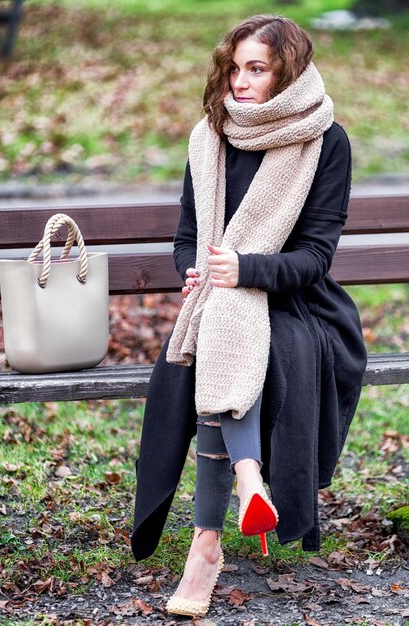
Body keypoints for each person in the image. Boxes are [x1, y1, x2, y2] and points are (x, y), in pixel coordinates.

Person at [131, 14, 367, 619]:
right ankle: (246, 483)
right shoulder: (210, 136)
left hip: (300, 308)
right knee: (224, 316)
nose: (239, 81)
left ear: (286, 73)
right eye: (234, 67)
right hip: (222, 300)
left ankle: (204, 550)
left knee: (227, 317)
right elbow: (189, 237)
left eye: (256, 69)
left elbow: (315, 258)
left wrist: (244, 271)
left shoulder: (324, 140)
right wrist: (198, 269)